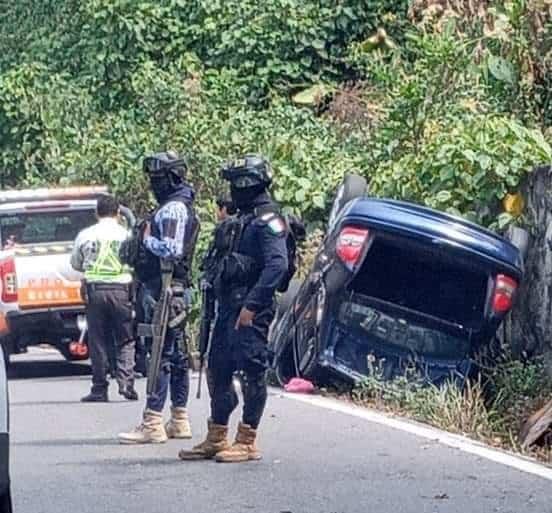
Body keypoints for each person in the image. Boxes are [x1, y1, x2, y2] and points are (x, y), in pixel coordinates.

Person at [178, 154, 288, 463]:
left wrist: (252, 306)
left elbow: (277, 266)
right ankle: (217, 436)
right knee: (218, 369)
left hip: (251, 309)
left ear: (246, 184)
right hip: (228, 307)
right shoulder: (243, 220)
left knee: (252, 372)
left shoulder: (268, 221)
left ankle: (247, 438)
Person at [118, 150, 199, 444]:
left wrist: (145, 239)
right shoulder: (175, 205)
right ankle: (178, 418)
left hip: (164, 289)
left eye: (157, 178)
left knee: (160, 355)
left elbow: (172, 249)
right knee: (175, 355)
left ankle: (152, 421)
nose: (153, 184)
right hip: (170, 288)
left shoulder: (174, 209)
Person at [71, 194, 137, 402]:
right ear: (118, 213)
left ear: (96, 212)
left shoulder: (85, 235)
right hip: (121, 290)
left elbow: (76, 263)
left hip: (95, 291)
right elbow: (135, 260)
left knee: (97, 339)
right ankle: (126, 383)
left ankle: (99, 388)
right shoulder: (126, 235)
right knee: (125, 337)